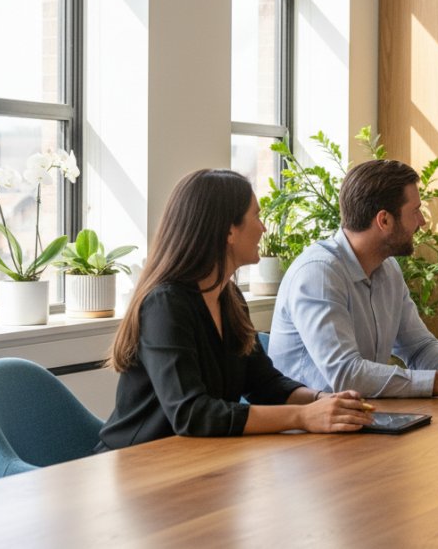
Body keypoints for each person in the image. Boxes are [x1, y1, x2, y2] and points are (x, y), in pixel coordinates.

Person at [97, 169, 374, 451]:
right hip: (138, 464)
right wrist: (302, 416)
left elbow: (263, 384)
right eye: (256, 216)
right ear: (229, 231)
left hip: (197, 459)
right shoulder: (165, 304)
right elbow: (192, 413)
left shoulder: (229, 297)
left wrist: (322, 401)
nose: (263, 228)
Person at [270, 159, 438, 398]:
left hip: (359, 417)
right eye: (415, 211)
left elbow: (419, 348)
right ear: (384, 220)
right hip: (306, 426)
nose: (422, 222)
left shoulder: (388, 268)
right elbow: (346, 375)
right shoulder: (318, 275)